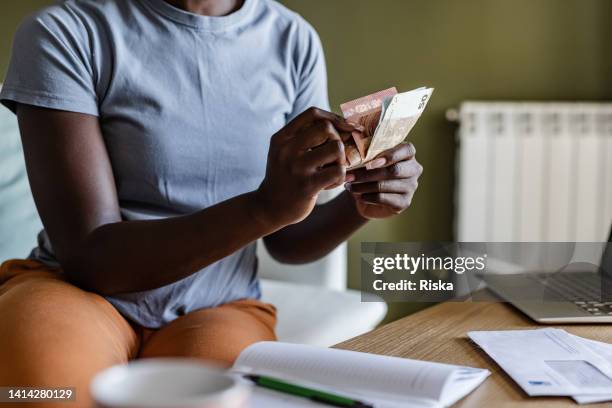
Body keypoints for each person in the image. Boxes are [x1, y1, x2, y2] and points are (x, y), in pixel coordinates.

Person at [0, 0, 423, 406]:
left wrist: (361, 206)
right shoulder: (65, 32)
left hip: (219, 305)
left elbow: (287, 241)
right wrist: (264, 208)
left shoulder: (293, 40)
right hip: (75, 291)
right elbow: (91, 258)